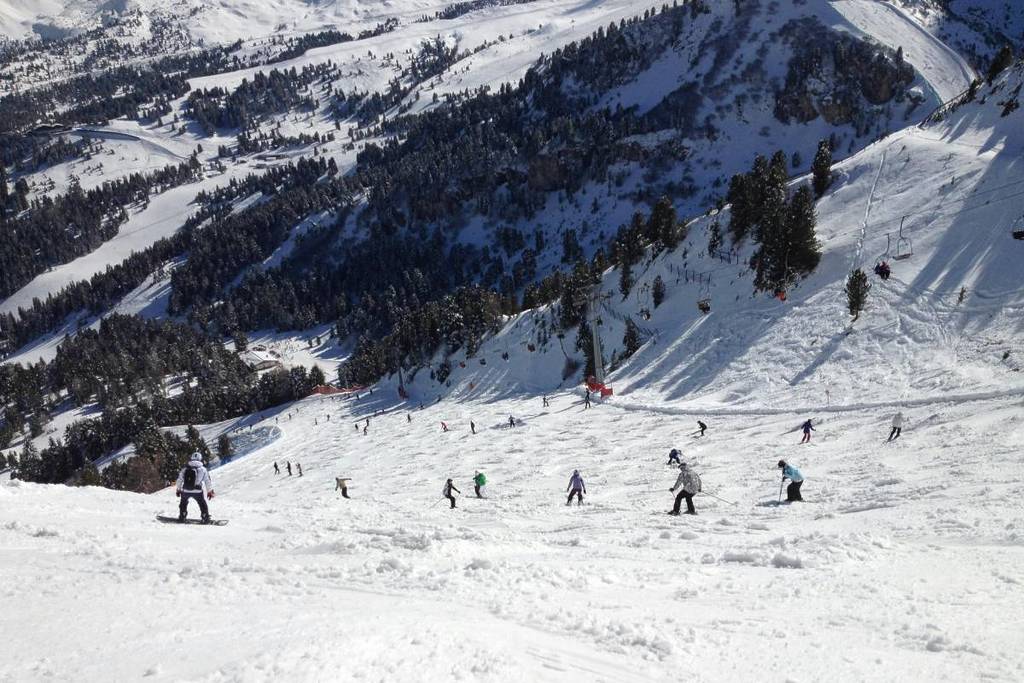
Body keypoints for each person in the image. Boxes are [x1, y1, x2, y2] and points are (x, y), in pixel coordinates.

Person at [175, 452, 214, 523]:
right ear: (200, 458)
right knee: (202, 503)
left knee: (183, 502)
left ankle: (182, 515)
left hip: (185, 490)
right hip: (197, 491)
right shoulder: (203, 469)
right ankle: (205, 516)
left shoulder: (185, 468)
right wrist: (210, 491)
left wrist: (178, 489)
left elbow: (179, 479)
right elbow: (207, 481)